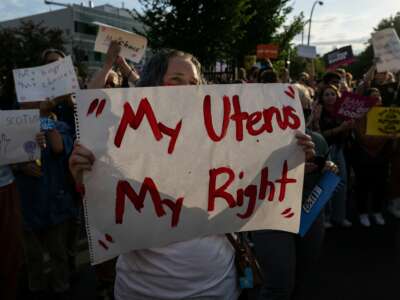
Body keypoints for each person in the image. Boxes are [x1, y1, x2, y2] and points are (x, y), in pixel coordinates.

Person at [68, 49, 316, 300]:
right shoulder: (118, 141)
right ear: (152, 85)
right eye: (176, 79)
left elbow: (245, 202)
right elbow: (109, 220)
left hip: (218, 287)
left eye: (194, 83)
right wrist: (84, 181)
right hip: (141, 290)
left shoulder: (226, 137)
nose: (186, 88)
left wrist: (287, 162)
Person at [14, 101, 77, 300]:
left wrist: (44, 122)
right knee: (32, 255)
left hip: (54, 199)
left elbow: (59, 148)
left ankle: (61, 285)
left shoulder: (59, 125)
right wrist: (19, 166)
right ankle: (35, 287)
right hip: (28, 201)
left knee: (58, 251)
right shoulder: (11, 125)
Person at [350, 88, 394, 226]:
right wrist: (386, 137)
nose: (377, 100)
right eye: (373, 97)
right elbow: (363, 138)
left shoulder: (387, 114)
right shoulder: (359, 116)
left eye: (379, 97)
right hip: (363, 156)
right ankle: (362, 213)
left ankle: (377, 211)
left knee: (380, 185)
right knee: (363, 185)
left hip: (382, 156)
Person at [313, 84, 353, 227]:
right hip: (326, 151)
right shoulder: (319, 112)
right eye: (327, 95)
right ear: (322, 98)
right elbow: (319, 135)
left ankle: (339, 217)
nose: (330, 97)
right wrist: (339, 129)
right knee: (326, 184)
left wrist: (348, 127)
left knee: (341, 183)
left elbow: (345, 133)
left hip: (339, 149)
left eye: (333, 94)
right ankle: (326, 218)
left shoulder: (342, 111)